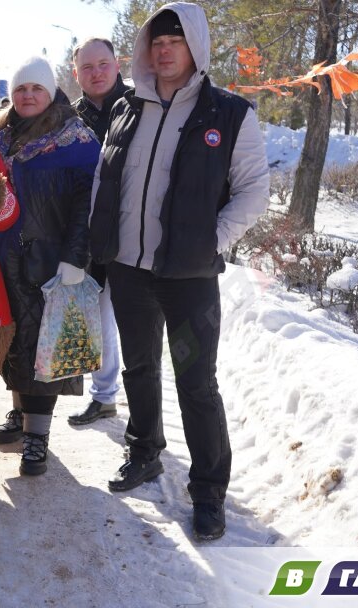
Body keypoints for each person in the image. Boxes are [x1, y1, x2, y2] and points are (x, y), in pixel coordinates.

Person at [88, 3, 270, 540]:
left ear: (196, 47)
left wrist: (210, 242)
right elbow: (105, 179)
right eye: (157, 42)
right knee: (139, 368)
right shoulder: (128, 107)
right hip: (129, 270)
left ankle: (209, 490)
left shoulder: (230, 114)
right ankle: (143, 451)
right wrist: (102, 241)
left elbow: (254, 191)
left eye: (176, 41)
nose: (164, 50)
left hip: (188, 279)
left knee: (196, 382)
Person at [0, 56, 100, 476]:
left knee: (42, 348)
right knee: (11, 341)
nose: (27, 95)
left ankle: (38, 436)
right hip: (0, 257)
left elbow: (86, 204)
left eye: (36, 88)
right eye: (20, 89)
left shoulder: (76, 138)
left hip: (49, 261)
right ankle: (19, 414)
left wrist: (75, 257)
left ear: (50, 92)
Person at [67, 37, 128, 426]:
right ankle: (104, 395)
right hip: (90, 238)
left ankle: (146, 411)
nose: (96, 73)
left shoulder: (141, 107)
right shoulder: (70, 119)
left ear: (117, 63)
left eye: (102, 64)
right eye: (87, 68)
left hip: (137, 235)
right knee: (99, 321)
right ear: (77, 74)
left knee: (141, 328)